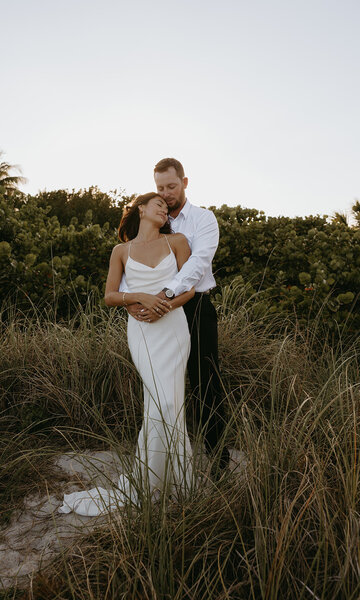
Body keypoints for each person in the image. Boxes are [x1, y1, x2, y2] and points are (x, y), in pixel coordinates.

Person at [59, 192, 195, 517]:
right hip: (143, 332)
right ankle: (152, 481)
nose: (165, 209)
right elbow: (109, 295)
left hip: (173, 327)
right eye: (159, 205)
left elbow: (191, 286)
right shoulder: (122, 250)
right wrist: (138, 297)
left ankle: (180, 482)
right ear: (141, 209)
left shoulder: (177, 241)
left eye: (168, 207)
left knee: (170, 402)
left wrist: (163, 305)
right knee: (157, 401)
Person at [126, 158, 229, 475]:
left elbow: (197, 266)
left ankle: (217, 461)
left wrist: (165, 297)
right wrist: (134, 302)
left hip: (194, 306)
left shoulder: (202, 219)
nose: (166, 193)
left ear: (185, 182)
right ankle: (161, 462)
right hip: (152, 312)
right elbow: (132, 257)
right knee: (159, 386)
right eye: (160, 188)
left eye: (171, 186)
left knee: (204, 383)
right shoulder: (151, 216)